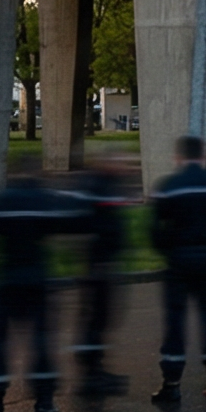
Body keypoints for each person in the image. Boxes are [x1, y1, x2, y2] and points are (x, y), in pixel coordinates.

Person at [0, 170, 82, 412]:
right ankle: (44, 405)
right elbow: (67, 224)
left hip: (7, 277)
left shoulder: (2, 200)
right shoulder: (45, 199)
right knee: (42, 341)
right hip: (38, 277)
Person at [149, 134, 206, 403]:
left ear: (178, 157)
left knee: (175, 321)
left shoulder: (168, 186)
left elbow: (154, 231)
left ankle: (172, 384)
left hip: (178, 262)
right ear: (203, 155)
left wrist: (170, 249)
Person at [65, 147, 138, 396]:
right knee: (96, 318)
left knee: (101, 318)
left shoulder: (108, 184)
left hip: (103, 263)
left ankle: (95, 369)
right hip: (98, 265)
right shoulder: (95, 185)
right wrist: (95, 259)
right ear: (107, 163)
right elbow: (83, 223)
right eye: (122, 161)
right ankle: (90, 374)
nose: (127, 167)